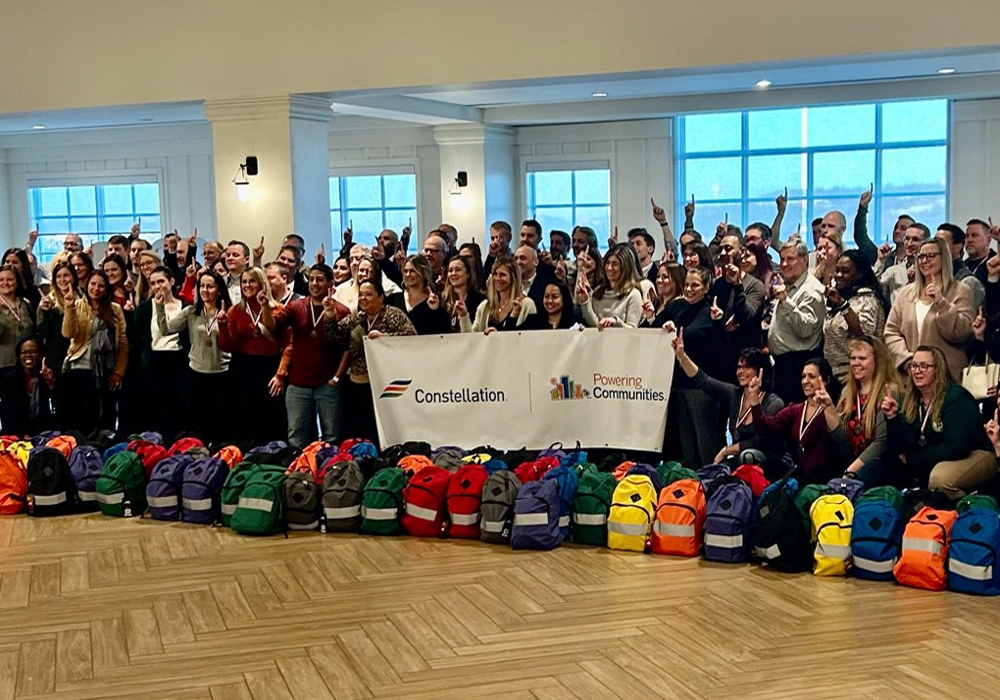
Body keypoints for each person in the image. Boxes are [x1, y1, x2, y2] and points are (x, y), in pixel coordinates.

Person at [883, 345, 997, 499]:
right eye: (914, 366)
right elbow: (903, 446)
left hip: (977, 453)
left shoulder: (956, 398)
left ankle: (969, 508)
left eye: (924, 366)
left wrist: (914, 459)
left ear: (938, 369)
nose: (917, 371)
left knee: (940, 478)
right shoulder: (910, 399)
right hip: (937, 455)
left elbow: (957, 447)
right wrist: (892, 418)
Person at [672, 328, 785, 472]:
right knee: (713, 474)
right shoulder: (735, 394)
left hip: (767, 460)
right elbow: (703, 380)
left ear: (760, 370)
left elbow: (760, 441)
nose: (740, 371)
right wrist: (682, 356)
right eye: (739, 367)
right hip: (739, 458)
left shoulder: (773, 402)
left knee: (747, 455)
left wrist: (727, 450)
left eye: (747, 367)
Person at [263, 264, 350, 449]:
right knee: (296, 435)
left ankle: (329, 470)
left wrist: (336, 378)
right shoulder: (296, 307)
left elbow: (347, 348)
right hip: (298, 383)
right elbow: (272, 326)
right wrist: (264, 306)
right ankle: (298, 471)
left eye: (319, 279)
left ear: (330, 284)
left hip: (327, 383)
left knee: (332, 435)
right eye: (311, 279)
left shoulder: (342, 311)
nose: (314, 283)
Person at [332, 279, 416, 447]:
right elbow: (334, 337)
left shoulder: (393, 314)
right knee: (356, 432)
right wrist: (328, 315)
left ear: (381, 297)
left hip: (385, 385)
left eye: (368, 294)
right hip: (357, 384)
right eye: (360, 294)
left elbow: (412, 339)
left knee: (379, 433)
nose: (363, 298)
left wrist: (386, 339)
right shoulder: (356, 319)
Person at [661, 267, 727, 466]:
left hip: (703, 389)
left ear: (706, 287)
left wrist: (718, 323)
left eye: (695, 285)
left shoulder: (712, 313)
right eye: (687, 285)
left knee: (707, 448)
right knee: (688, 451)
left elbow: (722, 350)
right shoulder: (681, 312)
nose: (689, 289)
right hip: (680, 387)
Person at [156, 270, 231, 443]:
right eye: (202, 286)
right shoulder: (191, 312)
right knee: (197, 421)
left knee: (220, 421)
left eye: (210, 286)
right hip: (197, 373)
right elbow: (167, 329)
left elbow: (233, 343)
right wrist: (160, 308)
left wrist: (224, 324)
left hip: (222, 373)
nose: (205, 290)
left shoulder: (229, 311)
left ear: (219, 290)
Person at [884, 237, 974, 381]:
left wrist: (941, 303)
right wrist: (907, 360)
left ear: (944, 258)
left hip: (947, 378)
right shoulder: (905, 293)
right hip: (910, 378)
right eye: (921, 257)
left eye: (931, 256)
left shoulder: (961, 290)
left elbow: (962, 333)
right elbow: (891, 332)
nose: (924, 261)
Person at [749, 357, 845, 484]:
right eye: (803, 376)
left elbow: (841, 441)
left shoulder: (833, 411)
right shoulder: (795, 410)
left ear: (826, 380)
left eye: (811, 376)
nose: (805, 381)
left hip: (822, 479)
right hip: (798, 474)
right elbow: (764, 427)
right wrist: (754, 399)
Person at [218, 267, 287, 444]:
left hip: (270, 367)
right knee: (245, 414)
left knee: (270, 414)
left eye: (252, 281)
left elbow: (288, 345)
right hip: (242, 367)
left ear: (262, 283)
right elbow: (227, 347)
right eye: (244, 282)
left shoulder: (278, 309)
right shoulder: (235, 311)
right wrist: (223, 327)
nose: (247, 285)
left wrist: (280, 374)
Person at [61, 270, 128, 433]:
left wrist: (119, 371)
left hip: (106, 367)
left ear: (106, 289)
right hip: (80, 366)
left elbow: (123, 342)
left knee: (107, 413)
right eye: (93, 284)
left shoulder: (115, 309)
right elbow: (68, 333)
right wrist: (69, 309)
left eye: (100, 285)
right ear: (87, 285)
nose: (96, 288)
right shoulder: (76, 305)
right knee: (83, 414)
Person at [131, 266, 188, 440]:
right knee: (157, 406)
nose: (157, 286)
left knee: (179, 404)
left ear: (171, 282)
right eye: (153, 283)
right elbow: (136, 336)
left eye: (161, 281)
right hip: (154, 361)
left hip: (178, 360)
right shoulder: (145, 308)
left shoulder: (185, 306)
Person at [835, 336, 900, 486]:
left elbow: (881, 443)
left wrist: (849, 472)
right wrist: (827, 408)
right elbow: (841, 437)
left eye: (862, 358)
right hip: (852, 459)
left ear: (877, 361)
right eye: (853, 358)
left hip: (879, 464)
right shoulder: (847, 391)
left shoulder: (888, 391)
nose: (856, 363)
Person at [768, 239, 826, 403]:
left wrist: (786, 301)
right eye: (782, 259)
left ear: (804, 260)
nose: (784, 264)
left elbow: (805, 330)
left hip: (799, 364)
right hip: (782, 365)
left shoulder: (811, 290)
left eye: (790, 259)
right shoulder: (788, 284)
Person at [822, 250, 889, 386]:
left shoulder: (867, 300)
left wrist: (842, 305)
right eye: (837, 270)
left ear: (860, 273)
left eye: (845, 271)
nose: (839, 275)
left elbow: (863, 335)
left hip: (856, 376)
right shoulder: (842, 297)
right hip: (835, 376)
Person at [711, 233, 767, 379]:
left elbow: (746, 316)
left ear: (741, 252)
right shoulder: (717, 284)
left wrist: (737, 284)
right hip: (721, 359)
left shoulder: (755, 285)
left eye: (728, 249)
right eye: (721, 249)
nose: (723, 253)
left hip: (746, 361)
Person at [458, 258, 536, 333]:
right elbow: (471, 339)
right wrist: (464, 315)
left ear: (513, 278)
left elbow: (528, 337)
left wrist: (498, 336)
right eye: (495, 274)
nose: (498, 278)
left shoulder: (527, 304)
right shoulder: (485, 306)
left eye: (502, 275)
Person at [576, 244, 643, 329]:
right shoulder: (598, 292)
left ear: (625, 267)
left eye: (615, 264)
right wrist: (585, 301)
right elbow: (596, 324)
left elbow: (633, 329)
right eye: (607, 263)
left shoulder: (633, 295)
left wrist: (615, 322)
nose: (609, 268)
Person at [0, 338, 57, 437]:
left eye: (32, 352)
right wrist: (22, 434)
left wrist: (51, 384)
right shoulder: (9, 379)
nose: (27, 355)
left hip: (46, 434)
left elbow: (59, 411)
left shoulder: (50, 377)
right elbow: (6, 414)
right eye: (23, 352)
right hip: (15, 435)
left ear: (41, 355)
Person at [387, 256, 450, 335]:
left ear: (423, 273)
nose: (408, 274)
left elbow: (444, 332)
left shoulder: (435, 301)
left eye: (412, 271)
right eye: (405, 271)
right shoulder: (392, 299)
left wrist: (435, 311)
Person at [36, 261, 75, 383]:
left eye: (66, 275)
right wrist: (46, 312)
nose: (62, 280)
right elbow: (44, 334)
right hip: (57, 361)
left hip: (79, 358)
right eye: (58, 276)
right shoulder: (48, 302)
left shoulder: (83, 299)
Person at [936, 223, 985, 311]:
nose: (935, 247)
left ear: (957, 248)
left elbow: (969, 321)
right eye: (935, 242)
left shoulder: (968, 281)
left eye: (942, 243)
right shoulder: (935, 276)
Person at [0, 266, 36, 377]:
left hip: (26, 365)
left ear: (17, 281)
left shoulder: (26, 304)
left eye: (10, 279)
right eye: (1, 280)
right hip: (3, 365)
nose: (5, 283)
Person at [880, 223, 928, 303]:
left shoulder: (932, 270)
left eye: (915, 240)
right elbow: (872, 286)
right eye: (907, 239)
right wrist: (880, 261)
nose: (909, 244)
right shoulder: (893, 272)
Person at [442, 256, 486, 333]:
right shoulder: (442, 300)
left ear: (468, 274)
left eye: (458, 270)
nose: (453, 273)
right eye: (450, 270)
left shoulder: (479, 300)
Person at [639, 263, 685, 328]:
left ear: (677, 280)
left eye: (665, 277)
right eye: (658, 277)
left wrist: (651, 318)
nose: (659, 280)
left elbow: (660, 330)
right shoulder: (655, 304)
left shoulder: (680, 306)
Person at [966, 218, 995, 286]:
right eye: (967, 236)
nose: (969, 240)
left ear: (988, 241)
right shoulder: (961, 266)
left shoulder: (996, 264)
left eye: (974, 235)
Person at [224, 240, 249, 304]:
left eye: (235, 255)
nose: (230, 258)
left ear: (246, 260)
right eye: (228, 255)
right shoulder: (220, 282)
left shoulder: (252, 281)